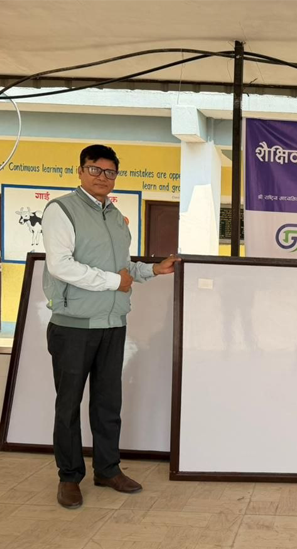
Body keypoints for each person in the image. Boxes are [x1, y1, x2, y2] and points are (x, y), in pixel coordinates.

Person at [42, 144, 179, 509]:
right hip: (73, 325)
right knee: (68, 406)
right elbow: (61, 266)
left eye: (109, 172)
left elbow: (123, 268)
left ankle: (107, 469)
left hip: (113, 323)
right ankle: (69, 477)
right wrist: (114, 282)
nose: (102, 177)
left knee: (107, 403)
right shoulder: (61, 210)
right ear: (80, 171)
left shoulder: (116, 217)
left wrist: (153, 270)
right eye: (95, 169)